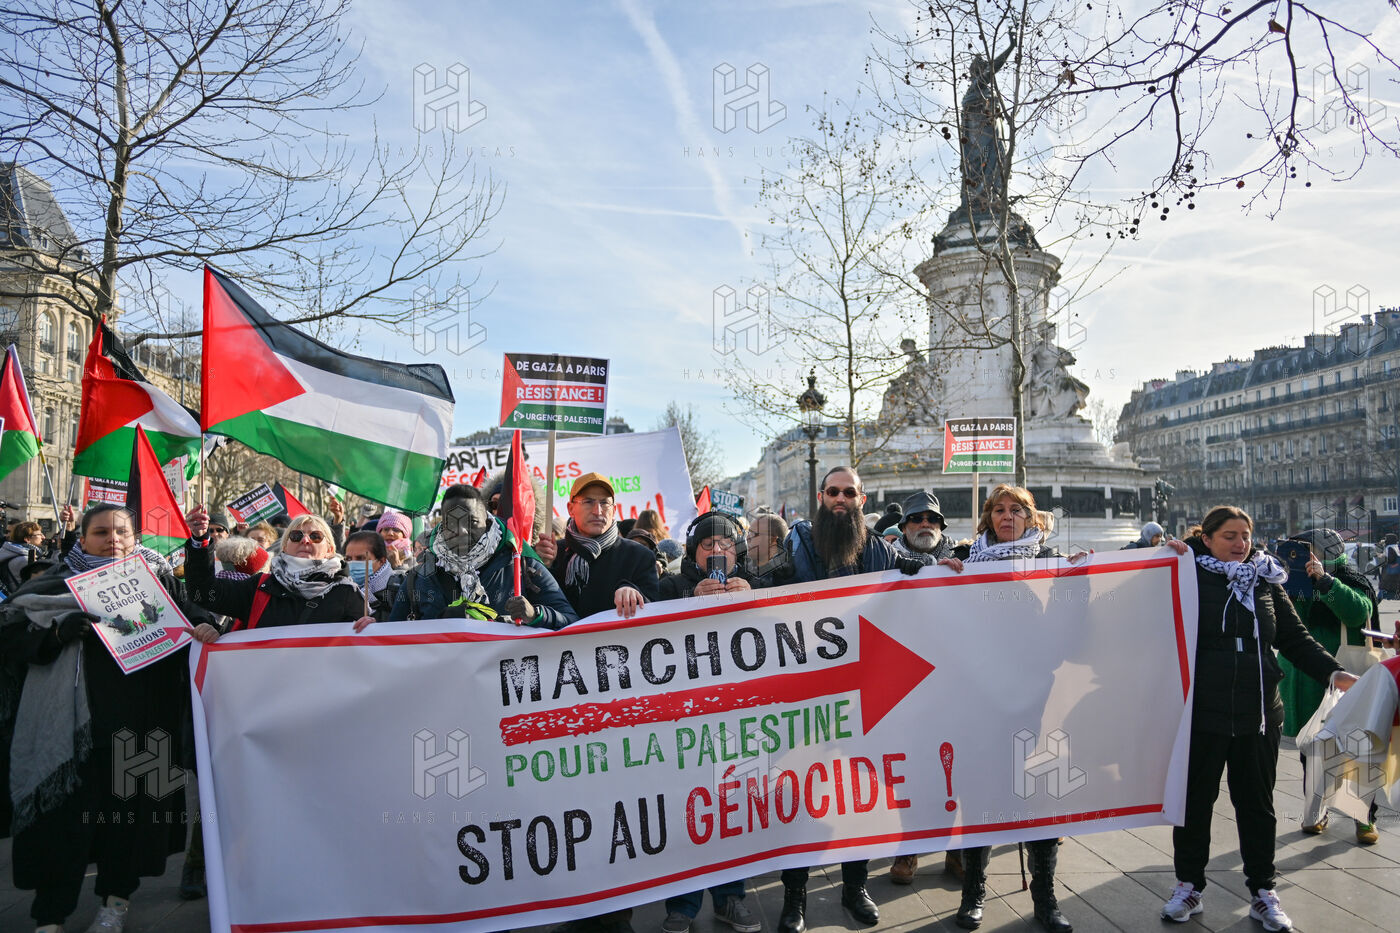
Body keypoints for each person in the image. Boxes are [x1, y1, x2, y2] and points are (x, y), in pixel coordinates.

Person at [0, 504, 212, 933]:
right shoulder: (49, 584)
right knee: (60, 827)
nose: (112, 539)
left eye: (121, 532)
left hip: (141, 727)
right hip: (68, 733)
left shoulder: (158, 583)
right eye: (101, 532)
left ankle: (115, 903)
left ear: (135, 539)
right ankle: (50, 916)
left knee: (127, 825)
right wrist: (54, 635)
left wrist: (206, 625)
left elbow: (193, 614)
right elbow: (10, 640)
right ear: (82, 539)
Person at [1158, 507, 1357, 931]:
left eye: (1245, 535)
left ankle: (1263, 891)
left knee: (1257, 806)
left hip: (1260, 712)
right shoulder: (1184, 572)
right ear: (1207, 539)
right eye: (1229, 535)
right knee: (1194, 805)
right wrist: (1158, 558)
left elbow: (1294, 637)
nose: (1241, 543)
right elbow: (1135, 601)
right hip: (1201, 713)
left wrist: (1333, 673)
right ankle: (1188, 886)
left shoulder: (1265, 579)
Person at [775, 466, 929, 932]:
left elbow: (915, 572)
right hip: (807, 696)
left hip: (862, 698)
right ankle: (794, 896)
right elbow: (765, 587)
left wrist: (946, 570)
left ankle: (855, 887)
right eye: (833, 492)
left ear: (862, 499)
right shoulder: (796, 544)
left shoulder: (879, 548)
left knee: (858, 796)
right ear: (821, 497)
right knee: (801, 796)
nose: (840, 499)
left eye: (849, 493)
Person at [942, 484, 1082, 932]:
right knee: (981, 795)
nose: (1007, 516)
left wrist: (1078, 580)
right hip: (980, 699)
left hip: (1036, 698)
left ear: (1031, 518)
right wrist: (939, 577)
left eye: (1017, 510)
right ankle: (973, 892)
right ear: (988, 518)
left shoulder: (1051, 562)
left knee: (1038, 798)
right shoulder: (964, 559)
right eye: (999, 510)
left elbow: (1069, 628)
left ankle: (1046, 898)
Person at [654, 510, 761, 933]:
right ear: (693, 552)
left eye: (726, 544)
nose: (717, 550)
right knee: (688, 807)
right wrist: (688, 600)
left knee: (732, 805)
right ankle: (682, 904)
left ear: (738, 550)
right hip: (687, 720)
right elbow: (644, 623)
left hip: (737, 718)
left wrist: (754, 596)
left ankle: (730, 897)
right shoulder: (672, 586)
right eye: (708, 544)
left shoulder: (754, 582)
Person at [1273, 528, 1381, 845]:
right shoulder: (1291, 582)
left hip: (1347, 675)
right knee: (1313, 750)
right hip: (1306, 681)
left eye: (1311, 551)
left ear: (1328, 553)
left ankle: (1364, 817)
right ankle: (1317, 810)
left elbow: (1358, 612)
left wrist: (1325, 582)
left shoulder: (1349, 579)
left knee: (1358, 749)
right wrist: (1286, 582)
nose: (1305, 557)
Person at [388, 484, 575, 629]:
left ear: (487, 522)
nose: (461, 531)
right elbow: (391, 640)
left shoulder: (522, 565)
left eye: (472, 522)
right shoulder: (419, 577)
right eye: (451, 523)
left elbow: (571, 622)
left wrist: (536, 615)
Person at [183, 506, 368, 633]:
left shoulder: (346, 593)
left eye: (316, 536)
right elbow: (202, 593)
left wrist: (371, 626)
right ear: (285, 547)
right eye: (296, 536)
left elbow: (365, 650)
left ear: (330, 549)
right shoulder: (260, 588)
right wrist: (200, 541)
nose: (305, 540)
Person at [549, 472, 660, 621]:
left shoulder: (639, 556)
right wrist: (545, 566)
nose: (598, 511)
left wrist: (634, 593)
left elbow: (654, 613)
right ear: (570, 509)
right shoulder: (552, 553)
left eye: (604, 503)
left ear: (614, 510)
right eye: (588, 502)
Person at [344, 531, 403, 622]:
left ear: (381, 561)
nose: (352, 563)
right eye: (348, 559)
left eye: (361, 558)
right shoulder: (341, 591)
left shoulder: (400, 589)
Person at [889, 491, 953, 566]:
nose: (925, 524)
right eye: (916, 518)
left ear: (940, 527)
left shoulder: (961, 557)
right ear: (904, 528)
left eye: (933, 519)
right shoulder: (887, 561)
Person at [744, 511, 791, 588]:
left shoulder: (782, 579)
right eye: (748, 533)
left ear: (773, 542)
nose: (747, 538)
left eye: (754, 534)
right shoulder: (744, 571)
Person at [1, 520, 45, 592]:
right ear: (27, 539)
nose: (43, 537)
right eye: (39, 534)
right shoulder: (26, 559)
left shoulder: (9, 552)